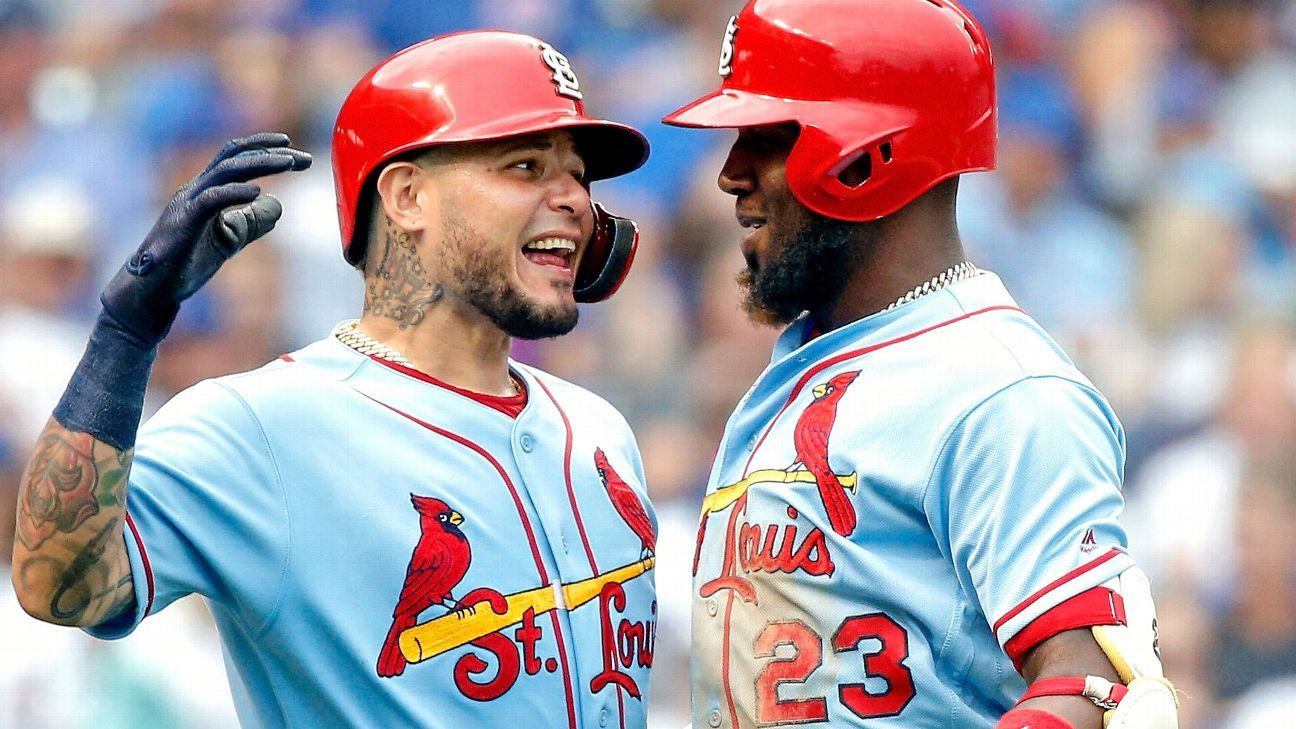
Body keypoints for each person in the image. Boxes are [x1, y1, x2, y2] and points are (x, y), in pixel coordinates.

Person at [11, 31, 659, 728]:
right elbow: (60, 585)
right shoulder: (261, 424)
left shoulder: (600, 429)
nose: (575, 200)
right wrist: (123, 337)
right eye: (526, 165)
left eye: (578, 174)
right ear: (408, 196)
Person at [661, 2, 1178, 728]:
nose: (730, 174)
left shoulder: (1000, 387)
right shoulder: (811, 361)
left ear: (866, 155)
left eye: (767, 137)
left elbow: (1101, 682)